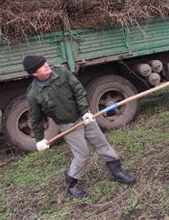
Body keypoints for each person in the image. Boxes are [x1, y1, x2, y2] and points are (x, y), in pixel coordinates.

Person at [22, 55, 134, 198]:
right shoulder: (34, 94)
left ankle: (117, 172)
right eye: (42, 66)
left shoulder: (61, 72)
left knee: (102, 143)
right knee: (82, 154)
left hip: (84, 117)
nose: (46, 66)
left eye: (45, 63)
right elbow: (35, 118)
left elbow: (78, 90)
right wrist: (39, 139)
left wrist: (85, 112)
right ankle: (71, 184)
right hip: (67, 125)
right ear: (34, 73)